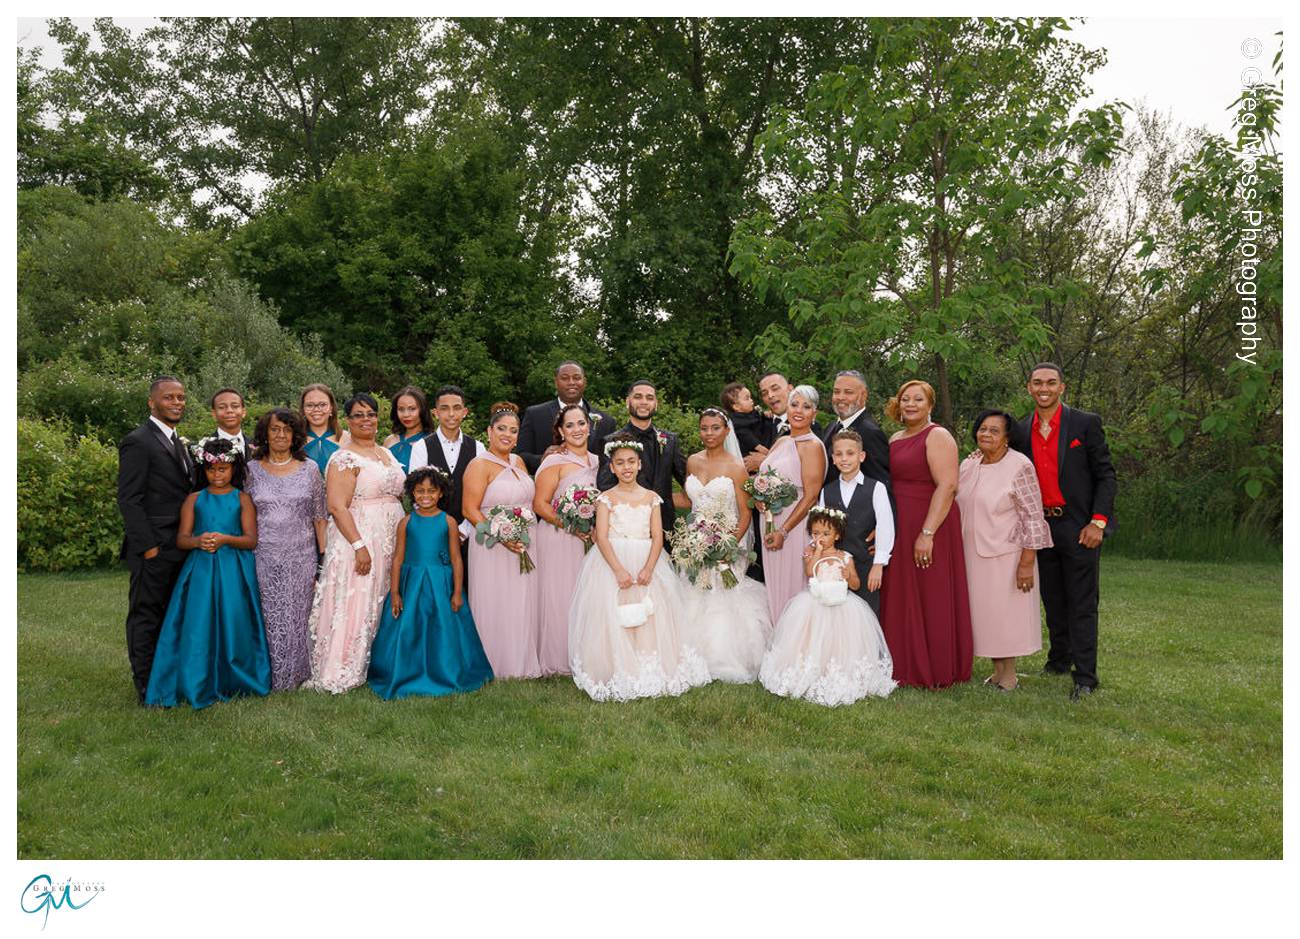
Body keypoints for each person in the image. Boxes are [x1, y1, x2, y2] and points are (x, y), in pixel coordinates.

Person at [568, 433, 710, 701]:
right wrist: (619, 570)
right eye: (620, 463)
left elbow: (657, 536)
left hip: (647, 560)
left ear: (640, 464)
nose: (626, 467)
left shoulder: (652, 498)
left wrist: (648, 568)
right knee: (612, 614)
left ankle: (649, 665)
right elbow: (601, 537)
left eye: (631, 461)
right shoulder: (605, 499)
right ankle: (615, 666)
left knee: (651, 614)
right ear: (611, 467)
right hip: (613, 561)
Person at [1013, 362, 1117, 700]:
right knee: (1052, 598)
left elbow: (1106, 475)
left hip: (1078, 525)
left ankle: (1085, 677)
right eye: (1037, 382)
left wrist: (1098, 521)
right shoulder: (1021, 429)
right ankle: (1059, 660)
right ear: (1029, 388)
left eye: (1051, 383)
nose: (1044, 388)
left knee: (1082, 601)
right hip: (1040, 525)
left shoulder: (1085, 424)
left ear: (1062, 387)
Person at [144, 437, 272, 708]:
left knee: (233, 620)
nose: (217, 475)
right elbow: (182, 539)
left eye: (223, 469)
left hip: (234, 569)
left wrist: (226, 539)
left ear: (233, 469)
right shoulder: (194, 499)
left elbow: (251, 540)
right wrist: (198, 541)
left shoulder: (243, 499)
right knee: (198, 622)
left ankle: (235, 678)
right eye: (212, 470)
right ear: (203, 469)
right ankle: (195, 679)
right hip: (201, 568)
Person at [306, 393, 407, 694]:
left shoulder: (386, 453)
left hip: (391, 533)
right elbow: (337, 506)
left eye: (371, 414)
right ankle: (344, 666)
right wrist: (359, 545)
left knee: (385, 595)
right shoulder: (343, 457)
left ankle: (381, 661)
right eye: (359, 415)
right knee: (358, 598)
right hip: (360, 534)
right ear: (348, 421)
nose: (366, 420)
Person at [879, 379, 974, 689]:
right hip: (900, 523)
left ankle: (934, 665)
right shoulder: (895, 438)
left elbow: (947, 486)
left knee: (930, 592)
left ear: (930, 405)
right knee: (903, 592)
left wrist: (928, 533)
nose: (910, 404)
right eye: (905, 398)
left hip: (930, 521)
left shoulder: (938, 436)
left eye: (918, 399)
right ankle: (902, 662)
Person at [368, 466, 493, 699]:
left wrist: (457, 591)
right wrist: (395, 592)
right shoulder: (406, 522)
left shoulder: (449, 522)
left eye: (431, 491)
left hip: (440, 584)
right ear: (412, 494)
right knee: (410, 629)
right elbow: (397, 559)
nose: (426, 496)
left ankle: (446, 672)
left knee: (443, 628)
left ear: (441, 493)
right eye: (420, 491)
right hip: (412, 584)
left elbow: (456, 558)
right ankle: (405, 673)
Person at [759, 506, 896, 706]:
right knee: (812, 639)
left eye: (826, 533)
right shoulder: (811, 554)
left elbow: (856, 584)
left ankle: (839, 674)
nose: (820, 537)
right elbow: (810, 573)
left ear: (837, 535)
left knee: (838, 642)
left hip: (841, 604)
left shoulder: (845, 557)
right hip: (815, 604)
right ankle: (811, 672)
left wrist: (848, 576)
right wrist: (818, 551)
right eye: (815, 533)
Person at [957, 410, 1053, 692]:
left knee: (1004, 615)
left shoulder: (1019, 465)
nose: (986, 434)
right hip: (973, 553)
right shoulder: (970, 464)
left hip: (1007, 554)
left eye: (994, 431)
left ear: (1008, 438)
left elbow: (1033, 516)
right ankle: (997, 671)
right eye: (982, 428)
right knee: (985, 615)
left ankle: (1009, 674)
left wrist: (1027, 560)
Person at [117, 376, 198, 704]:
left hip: (179, 545)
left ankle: (165, 679)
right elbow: (129, 499)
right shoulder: (138, 441)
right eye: (169, 398)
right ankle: (145, 686)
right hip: (154, 548)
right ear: (152, 402)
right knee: (146, 615)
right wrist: (148, 547)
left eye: (180, 397)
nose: (176, 403)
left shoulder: (179, 442)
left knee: (170, 614)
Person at [677, 408, 772, 682]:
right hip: (697, 540)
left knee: (722, 595)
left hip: (729, 539)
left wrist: (728, 544)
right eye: (704, 428)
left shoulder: (736, 467)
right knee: (694, 591)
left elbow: (745, 513)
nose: (709, 433)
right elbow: (688, 499)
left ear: (726, 431)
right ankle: (689, 653)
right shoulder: (693, 461)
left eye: (715, 428)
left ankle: (722, 657)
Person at [245, 408, 327, 691]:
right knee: (268, 615)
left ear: (295, 435)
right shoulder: (251, 470)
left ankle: (298, 675)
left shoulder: (310, 469)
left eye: (286, 430)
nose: (281, 435)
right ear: (265, 435)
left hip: (302, 556)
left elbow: (320, 517)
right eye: (274, 429)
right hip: (263, 556)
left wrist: (322, 560)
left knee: (298, 617)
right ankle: (268, 675)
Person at [462, 402, 542, 678]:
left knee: (520, 600)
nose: (507, 435)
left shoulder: (518, 462)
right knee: (495, 599)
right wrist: (501, 536)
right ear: (489, 431)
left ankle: (520, 661)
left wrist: (519, 532)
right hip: (491, 544)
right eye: (502, 429)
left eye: (514, 430)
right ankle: (494, 662)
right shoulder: (479, 464)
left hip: (523, 539)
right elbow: (469, 509)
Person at [532, 403, 600, 676]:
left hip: (592, 539)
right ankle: (560, 657)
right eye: (569, 425)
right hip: (559, 536)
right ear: (560, 431)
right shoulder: (555, 461)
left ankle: (588, 653)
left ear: (589, 425)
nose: (576, 429)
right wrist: (571, 525)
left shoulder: (599, 460)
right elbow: (540, 504)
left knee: (589, 595)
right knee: (562, 594)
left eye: (581, 423)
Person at [756, 385, 827, 622]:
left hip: (794, 527)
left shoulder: (813, 446)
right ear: (787, 407)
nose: (799, 411)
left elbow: (811, 496)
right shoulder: (780, 442)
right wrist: (759, 500)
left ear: (814, 414)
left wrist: (784, 531)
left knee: (794, 586)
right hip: (769, 523)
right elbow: (763, 479)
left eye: (806, 407)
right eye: (794, 404)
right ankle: (779, 639)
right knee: (775, 586)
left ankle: (797, 648)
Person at [596, 379, 686, 539]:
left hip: (665, 528)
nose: (644, 402)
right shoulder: (610, 442)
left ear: (656, 404)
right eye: (638, 396)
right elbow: (605, 486)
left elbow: (687, 480)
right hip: (626, 529)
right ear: (627, 402)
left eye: (649, 398)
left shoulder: (670, 440)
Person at [817, 429, 893, 616]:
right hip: (836, 568)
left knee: (866, 616)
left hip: (866, 565)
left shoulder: (876, 488)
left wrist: (878, 565)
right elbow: (821, 527)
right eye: (839, 454)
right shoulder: (827, 491)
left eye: (850, 453)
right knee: (836, 617)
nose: (844, 459)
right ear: (833, 458)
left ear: (862, 456)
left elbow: (885, 526)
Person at [407, 385, 484, 544]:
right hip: (431, 533)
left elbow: (483, 495)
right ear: (435, 413)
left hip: (470, 534)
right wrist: (433, 528)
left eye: (456, 408)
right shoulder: (421, 447)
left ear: (464, 412)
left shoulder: (478, 448)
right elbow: (416, 492)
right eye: (444, 408)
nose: (451, 414)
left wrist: (464, 531)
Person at [516, 360, 618, 474]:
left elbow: (612, 462)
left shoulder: (607, 421)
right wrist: (543, 459)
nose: (571, 382)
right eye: (565, 378)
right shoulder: (535, 414)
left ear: (584, 382)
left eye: (577, 378)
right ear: (556, 382)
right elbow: (520, 457)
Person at [743, 371, 824, 473]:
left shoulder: (810, 427)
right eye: (764, 393)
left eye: (775, 388)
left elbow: (810, 467)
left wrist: (764, 461)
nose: (770, 395)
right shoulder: (759, 423)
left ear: (790, 389)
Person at [822, 370, 890, 490]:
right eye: (836, 392)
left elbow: (879, 484)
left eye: (848, 392)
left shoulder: (870, 432)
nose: (840, 397)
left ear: (864, 395)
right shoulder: (831, 427)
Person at [383, 385, 435, 472]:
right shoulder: (390, 440)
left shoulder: (431, 442)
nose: (406, 414)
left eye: (412, 409)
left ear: (422, 410)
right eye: (401, 409)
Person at [721, 381, 774, 458]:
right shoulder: (738, 422)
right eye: (747, 398)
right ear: (736, 406)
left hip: (763, 443)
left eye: (750, 397)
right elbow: (750, 439)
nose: (751, 400)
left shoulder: (752, 413)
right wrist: (767, 453)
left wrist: (765, 416)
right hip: (750, 454)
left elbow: (759, 422)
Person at [300, 383, 345, 474]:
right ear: (303, 409)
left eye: (323, 404)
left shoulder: (347, 438)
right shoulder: (294, 439)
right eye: (310, 405)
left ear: (331, 408)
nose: (316, 409)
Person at [209, 387, 253, 458]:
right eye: (222, 407)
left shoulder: (257, 446)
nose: (229, 411)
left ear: (243, 412)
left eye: (235, 406)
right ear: (214, 414)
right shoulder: (203, 449)